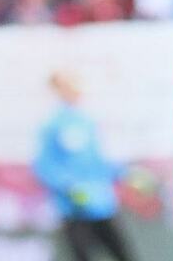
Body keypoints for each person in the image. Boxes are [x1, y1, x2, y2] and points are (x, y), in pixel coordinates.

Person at [33, 71, 134, 261]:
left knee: (124, 254)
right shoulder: (52, 124)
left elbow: (99, 160)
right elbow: (45, 166)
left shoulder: (87, 121)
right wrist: (69, 188)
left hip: (102, 204)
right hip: (75, 209)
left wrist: (126, 174)